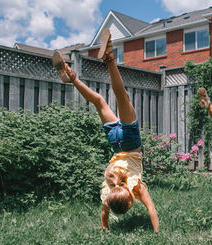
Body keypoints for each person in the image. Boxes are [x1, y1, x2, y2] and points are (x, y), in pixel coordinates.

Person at [52, 28, 159, 232]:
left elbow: (152, 209)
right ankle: (72, 78)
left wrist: (157, 233)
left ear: (129, 202)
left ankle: (110, 59)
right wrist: (105, 227)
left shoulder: (136, 188)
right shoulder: (107, 190)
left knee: (122, 98)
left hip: (130, 143)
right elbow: (104, 214)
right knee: (99, 102)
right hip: (115, 142)